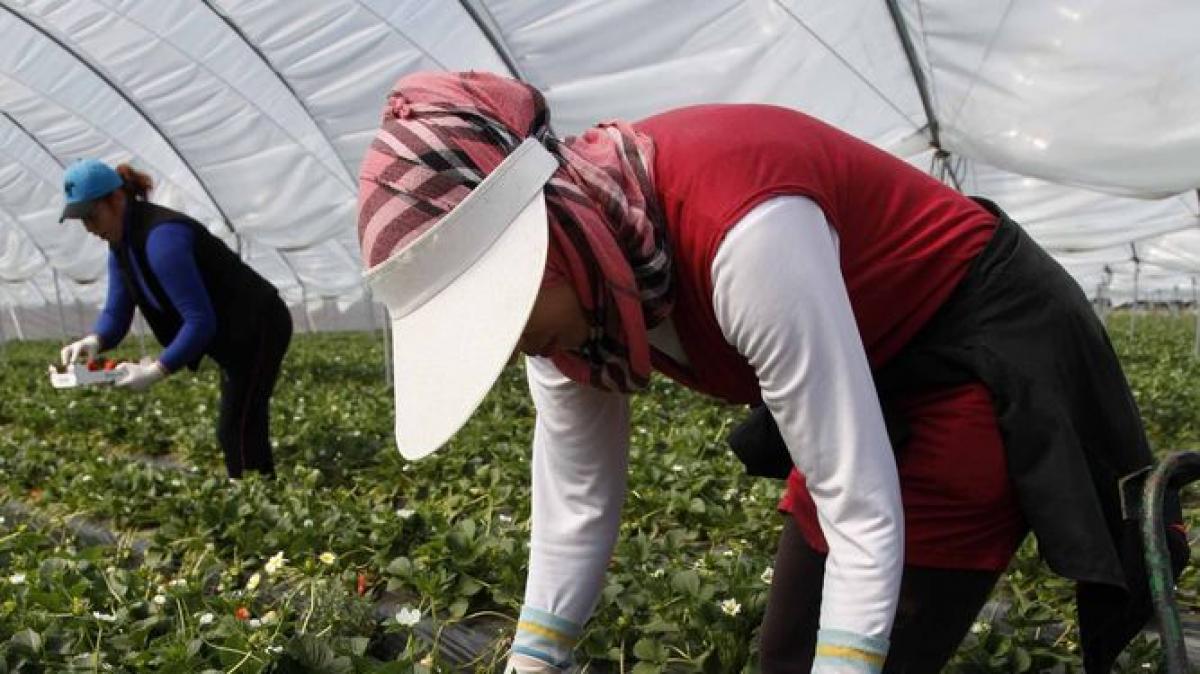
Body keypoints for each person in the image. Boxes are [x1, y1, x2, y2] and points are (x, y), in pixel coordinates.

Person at [356, 71, 1187, 673]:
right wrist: (534, 663)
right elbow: (575, 505)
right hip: (868, 357)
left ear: (544, 251)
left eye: (495, 315)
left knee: (881, 646)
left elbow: (860, 506)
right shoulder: (576, 306)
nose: (504, 347)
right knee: (789, 653)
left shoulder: (744, 231)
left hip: (971, 343)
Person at [58, 159, 292, 479]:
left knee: (237, 425)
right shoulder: (120, 245)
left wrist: (156, 370)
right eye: (81, 219)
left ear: (116, 199)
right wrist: (94, 340)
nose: (89, 227)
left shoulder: (162, 239)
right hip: (229, 334)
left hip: (260, 324)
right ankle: (258, 494)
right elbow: (116, 311)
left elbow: (199, 321)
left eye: (91, 215)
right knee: (239, 422)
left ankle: (258, 500)